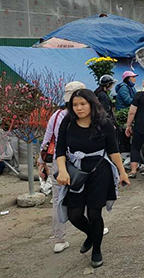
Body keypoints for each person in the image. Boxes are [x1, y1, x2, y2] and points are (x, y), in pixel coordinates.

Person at [55, 89, 130, 268]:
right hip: (76, 172)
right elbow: (60, 148)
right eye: (75, 105)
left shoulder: (104, 123)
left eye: (83, 104)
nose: (79, 108)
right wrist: (62, 170)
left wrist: (122, 172)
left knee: (94, 213)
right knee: (74, 214)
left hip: (99, 171)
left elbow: (113, 150)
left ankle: (97, 249)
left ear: (91, 104)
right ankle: (90, 234)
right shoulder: (68, 122)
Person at [37, 81, 85, 253]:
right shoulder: (83, 115)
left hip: (58, 161)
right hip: (80, 161)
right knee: (87, 194)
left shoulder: (56, 115)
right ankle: (94, 228)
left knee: (58, 199)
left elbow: (47, 139)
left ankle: (59, 239)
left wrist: (42, 161)